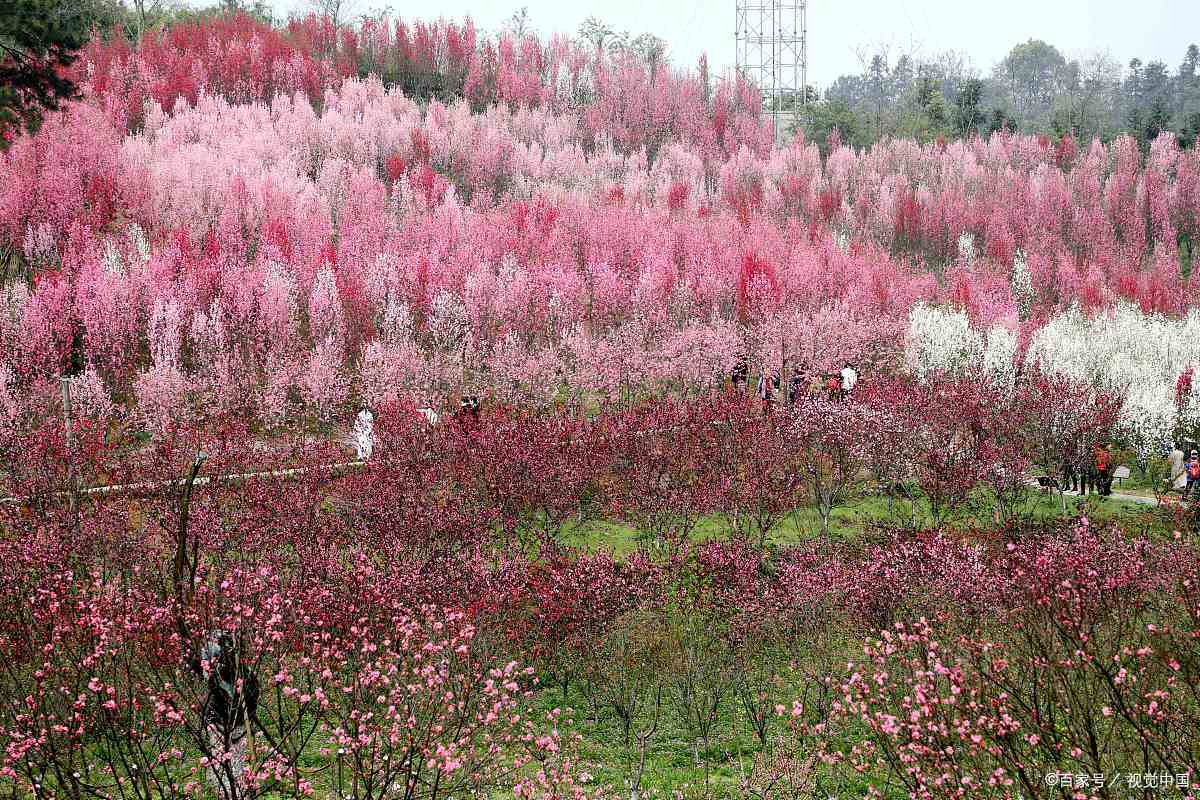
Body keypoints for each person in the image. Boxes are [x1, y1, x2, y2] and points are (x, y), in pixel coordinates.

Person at [201, 630, 260, 798]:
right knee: (222, 764)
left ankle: (238, 793)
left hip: (237, 725)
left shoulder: (245, 675)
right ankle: (223, 792)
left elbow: (251, 695)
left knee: (235, 765)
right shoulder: (215, 674)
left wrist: (246, 708)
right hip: (218, 722)